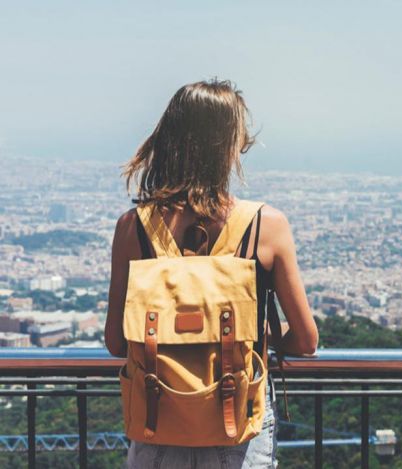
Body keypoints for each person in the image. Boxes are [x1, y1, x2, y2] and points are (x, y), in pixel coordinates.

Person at [105, 79, 319, 468]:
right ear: (229, 149)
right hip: (235, 428)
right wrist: (248, 335)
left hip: (156, 424)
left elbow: (116, 343)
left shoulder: (132, 228)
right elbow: (305, 340)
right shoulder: (264, 226)